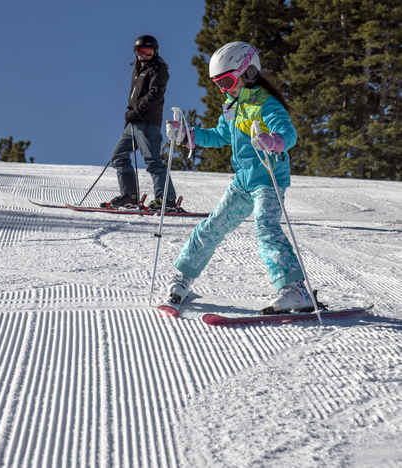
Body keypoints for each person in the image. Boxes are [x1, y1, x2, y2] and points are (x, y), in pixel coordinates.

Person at [163, 41, 313, 313]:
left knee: (265, 227)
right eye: (218, 84)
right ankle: (183, 277)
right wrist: (189, 134)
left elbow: (288, 132)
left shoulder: (266, 104)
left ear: (250, 71)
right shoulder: (231, 106)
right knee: (213, 225)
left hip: (268, 178)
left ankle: (295, 289)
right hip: (242, 181)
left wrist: (274, 140)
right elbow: (220, 135)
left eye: (228, 80)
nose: (224, 88)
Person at [106, 35, 178, 211]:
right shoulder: (137, 69)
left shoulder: (158, 69)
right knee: (118, 156)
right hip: (133, 122)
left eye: (148, 52)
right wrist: (129, 116)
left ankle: (166, 199)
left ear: (155, 52)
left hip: (147, 122)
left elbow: (155, 94)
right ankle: (129, 196)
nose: (143, 55)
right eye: (140, 51)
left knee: (152, 161)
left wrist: (136, 111)